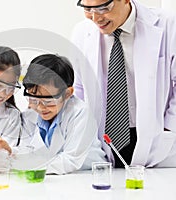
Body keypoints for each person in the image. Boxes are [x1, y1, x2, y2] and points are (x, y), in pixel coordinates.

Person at [72, 0, 176, 167]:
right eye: (87, 8)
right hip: (104, 137)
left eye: (103, 8)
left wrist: (170, 128)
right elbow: (79, 87)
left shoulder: (169, 24)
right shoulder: (81, 32)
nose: (95, 17)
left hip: (158, 139)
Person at [0, 54, 106, 175]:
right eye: (34, 100)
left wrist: (20, 165)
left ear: (68, 93)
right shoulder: (30, 115)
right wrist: (8, 151)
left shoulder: (80, 113)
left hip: (88, 176)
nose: (41, 107)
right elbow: (28, 151)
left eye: (49, 101)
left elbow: (70, 160)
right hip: (53, 178)